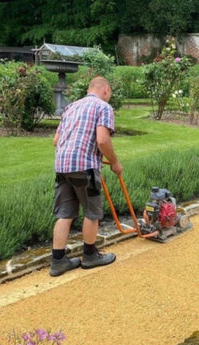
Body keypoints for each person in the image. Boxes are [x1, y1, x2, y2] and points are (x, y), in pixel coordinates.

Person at [50, 76, 123, 277]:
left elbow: (56, 140)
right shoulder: (103, 107)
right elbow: (102, 140)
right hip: (85, 167)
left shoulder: (70, 107)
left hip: (62, 166)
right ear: (106, 90)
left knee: (65, 213)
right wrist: (115, 162)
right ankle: (90, 256)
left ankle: (58, 261)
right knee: (92, 212)